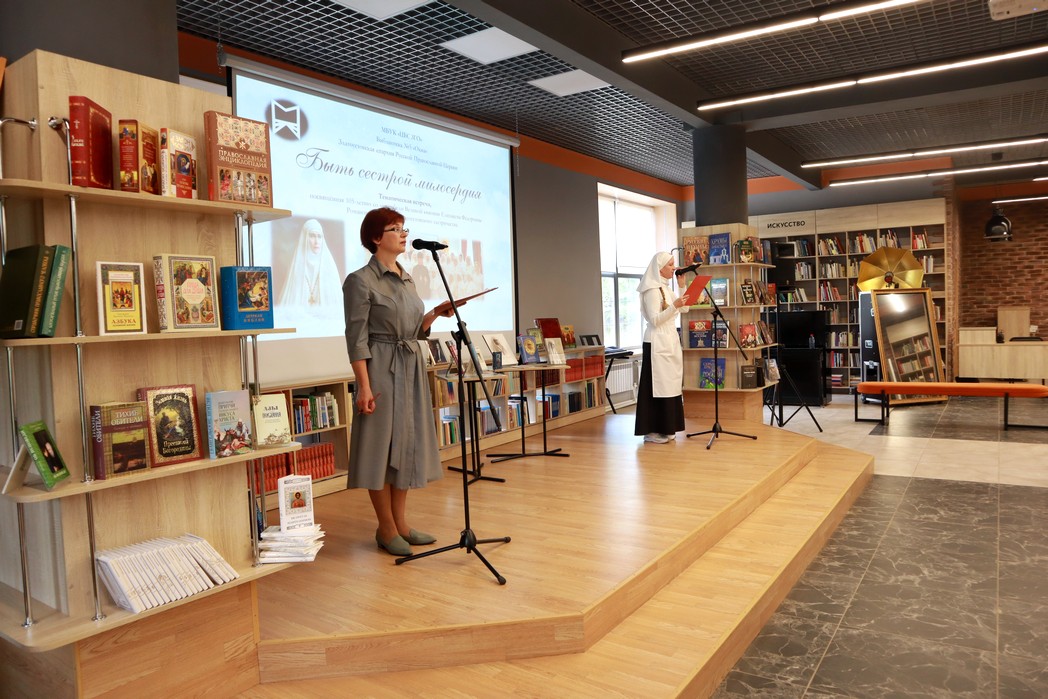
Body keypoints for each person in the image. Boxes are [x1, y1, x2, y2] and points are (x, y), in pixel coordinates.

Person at [343, 207, 462, 556]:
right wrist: (364, 386)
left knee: (405, 448)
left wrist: (434, 314)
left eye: (404, 228)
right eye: (395, 228)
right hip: (380, 369)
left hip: (410, 370)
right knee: (380, 449)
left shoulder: (407, 279)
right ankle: (385, 527)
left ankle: (402, 525)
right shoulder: (360, 281)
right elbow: (356, 339)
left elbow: (412, 331)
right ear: (376, 237)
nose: (403, 234)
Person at [634, 252, 691, 444]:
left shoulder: (666, 288)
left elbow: (685, 308)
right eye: (670, 265)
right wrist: (674, 306)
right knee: (658, 386)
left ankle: (668, 427)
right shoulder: (652, 290)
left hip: (669, 341)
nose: (674, 268)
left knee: (671, 385)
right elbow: (655, 320)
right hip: (656, 342)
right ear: (659, 268)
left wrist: (682, 286)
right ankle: (654, 429)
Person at [279, 218, 343, 312]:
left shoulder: (330, 269)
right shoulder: (296, 268)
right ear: (305, 238)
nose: (316, 241)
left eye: (319, 236)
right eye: (312, 236)